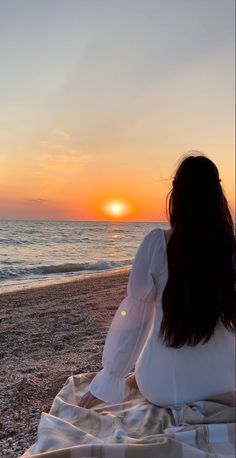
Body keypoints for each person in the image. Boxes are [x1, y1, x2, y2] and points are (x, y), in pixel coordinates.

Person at [78, 153, 236, 409]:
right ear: (218, 197)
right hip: (223, 383)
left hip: (164, 388)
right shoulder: (232, 249)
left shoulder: (157, 244)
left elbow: (134, 321)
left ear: (176, 198)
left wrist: (110, 379)